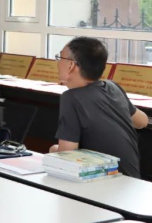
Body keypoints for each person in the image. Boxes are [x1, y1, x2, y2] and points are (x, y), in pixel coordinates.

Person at [50, 37, 148, 178]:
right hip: (132, 180)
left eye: (60, 58)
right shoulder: (112, 87)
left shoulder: (71, 98)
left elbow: (66, 157)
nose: (58, 63)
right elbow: (142, 121)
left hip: (105, 183)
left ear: (71, 65)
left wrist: (54, 150)